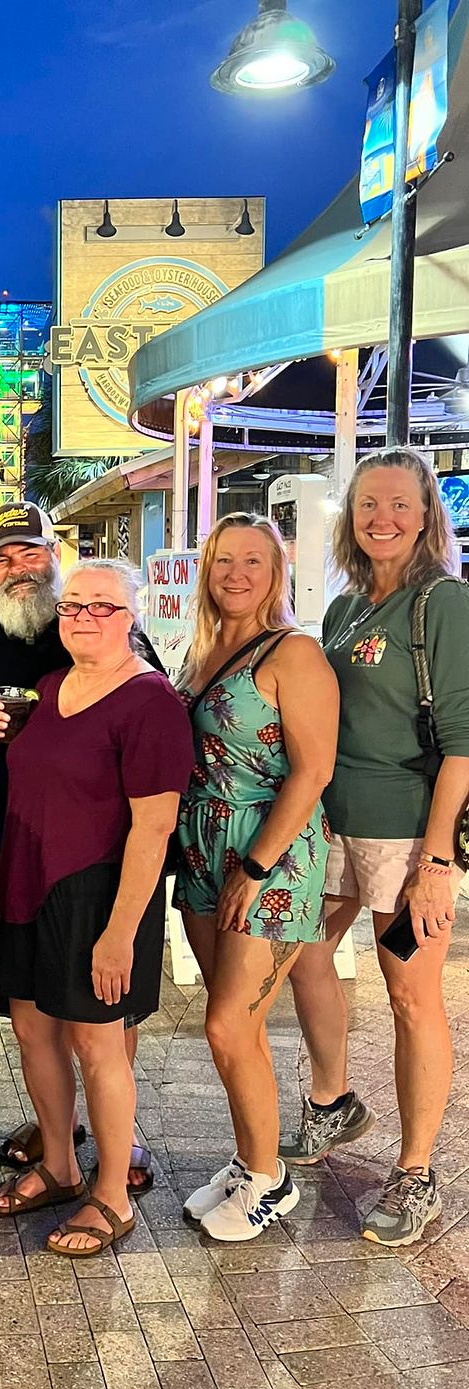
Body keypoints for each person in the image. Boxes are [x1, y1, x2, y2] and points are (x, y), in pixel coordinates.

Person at [282, 449, 469, 1246]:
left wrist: (437, 864)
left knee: (409, 994)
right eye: (367, 505)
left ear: (426, 515)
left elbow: (463, 744)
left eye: (398, 504)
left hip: (405, 839)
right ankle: (334, 1102)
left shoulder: (444, 603)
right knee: (302, 951)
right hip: (335, 827)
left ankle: (416, 1171)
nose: (381, 518)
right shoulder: (346, 607)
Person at [0, 502, 163, 1191]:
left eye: (31, 552)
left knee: (102, 1015)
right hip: (20, 838)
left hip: (97, 855)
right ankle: (61, 1140)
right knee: (32, 1010)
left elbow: (152, 762)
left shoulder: (109, 629)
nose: (18, 568)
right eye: (3, 558)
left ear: (55, 554)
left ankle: (121, 1139)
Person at [0, 560, 192, 1255]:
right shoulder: (48, 688)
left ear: (131, 617)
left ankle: (112, 1194)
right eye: (72, 606)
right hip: (27, 881)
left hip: (98, 892)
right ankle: (59, 1164)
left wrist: (119, 933)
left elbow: (154, 828)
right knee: (32, 1032)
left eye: (101, 606)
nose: (82, 618)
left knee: (97, 1045)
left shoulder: (150, 701)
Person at [173, 515, 337, 1242]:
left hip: (270, 850)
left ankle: (269, 1181)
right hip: (203, 846)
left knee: (227, 1023)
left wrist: (258, 866)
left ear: (278, 573)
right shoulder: (202, 649)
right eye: (224, 561)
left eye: (253, 562)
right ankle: (251, 1161)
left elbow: (313, 770)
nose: (236, 575)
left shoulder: (293, 651)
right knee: (238, 1023)